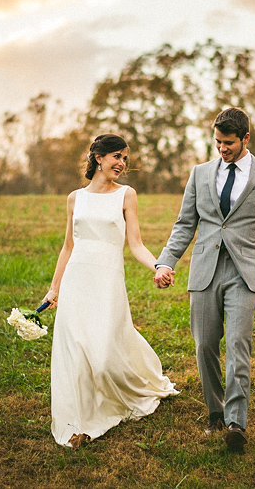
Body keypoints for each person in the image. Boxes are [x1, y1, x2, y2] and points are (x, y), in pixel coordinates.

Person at [154, 107, 255, 449]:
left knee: (238, 345)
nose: (223, 149)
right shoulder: (199, 174)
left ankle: (236, 424)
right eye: (218, 142)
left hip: (244, 272)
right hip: (205, 270)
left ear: (246, 139)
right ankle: (215, 414)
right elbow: (184, 225)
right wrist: (165, 262)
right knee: (205, 344)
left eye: (230, 143)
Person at [43, 133, 179, 449]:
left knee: (104, 356)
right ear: (98, 157)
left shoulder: (126, 195)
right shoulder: (74, 198)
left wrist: (158, 266)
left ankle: (134, 389)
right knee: (76, 354)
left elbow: (135, 244)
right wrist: (54, 289)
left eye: (124, 158)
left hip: (107, 281)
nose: (121, 163)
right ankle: (79, 422)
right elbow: (68, 246)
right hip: (77, 279)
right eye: (116, 156)